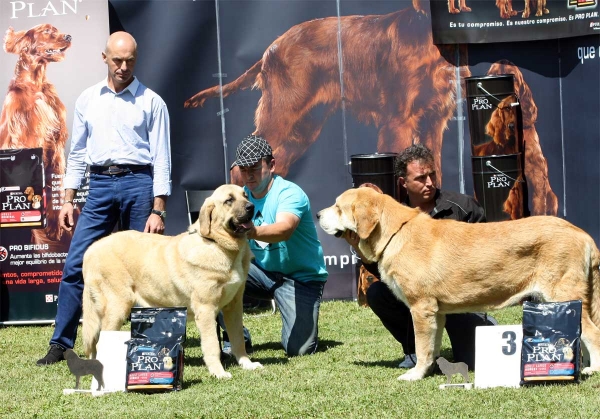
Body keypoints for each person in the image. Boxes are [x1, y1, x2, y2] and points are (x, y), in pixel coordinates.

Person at [37, 32, 171, 365]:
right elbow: (78, 152)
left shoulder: (152, 102)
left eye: (129, 61)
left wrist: (159, 209)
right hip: (98, 186)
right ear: (104, 57)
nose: (123, 67)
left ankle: (148, 346)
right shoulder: (88, 100)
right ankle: (61, 343)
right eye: (117, 60)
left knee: (148, 269)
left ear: (136, 59)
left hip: (139, 183)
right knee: (77, 263)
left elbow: (162, 159)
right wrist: (68, 198)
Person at [344, 144, 496, 370]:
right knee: (378, 292)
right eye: (421, 178)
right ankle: (416, 351)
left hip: (460, 295)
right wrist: (359, 249)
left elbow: (486, 252)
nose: (430, 183)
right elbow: (387, 272)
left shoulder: (463, 207)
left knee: (475, 361)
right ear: (403, 183)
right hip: (415, 295)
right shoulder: (393, 216)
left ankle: (483, 326)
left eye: (432, 175)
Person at [224, 134, 328, 356]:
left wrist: (252, 231)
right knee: (214, 277)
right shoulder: (240, 196)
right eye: (243, 169)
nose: (249, 175)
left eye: (254, 167)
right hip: (262, 272)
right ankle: (236, 339)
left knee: (298, 349)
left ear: (271, 165)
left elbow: (284, 229)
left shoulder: (290, 193)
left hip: (302, 279)